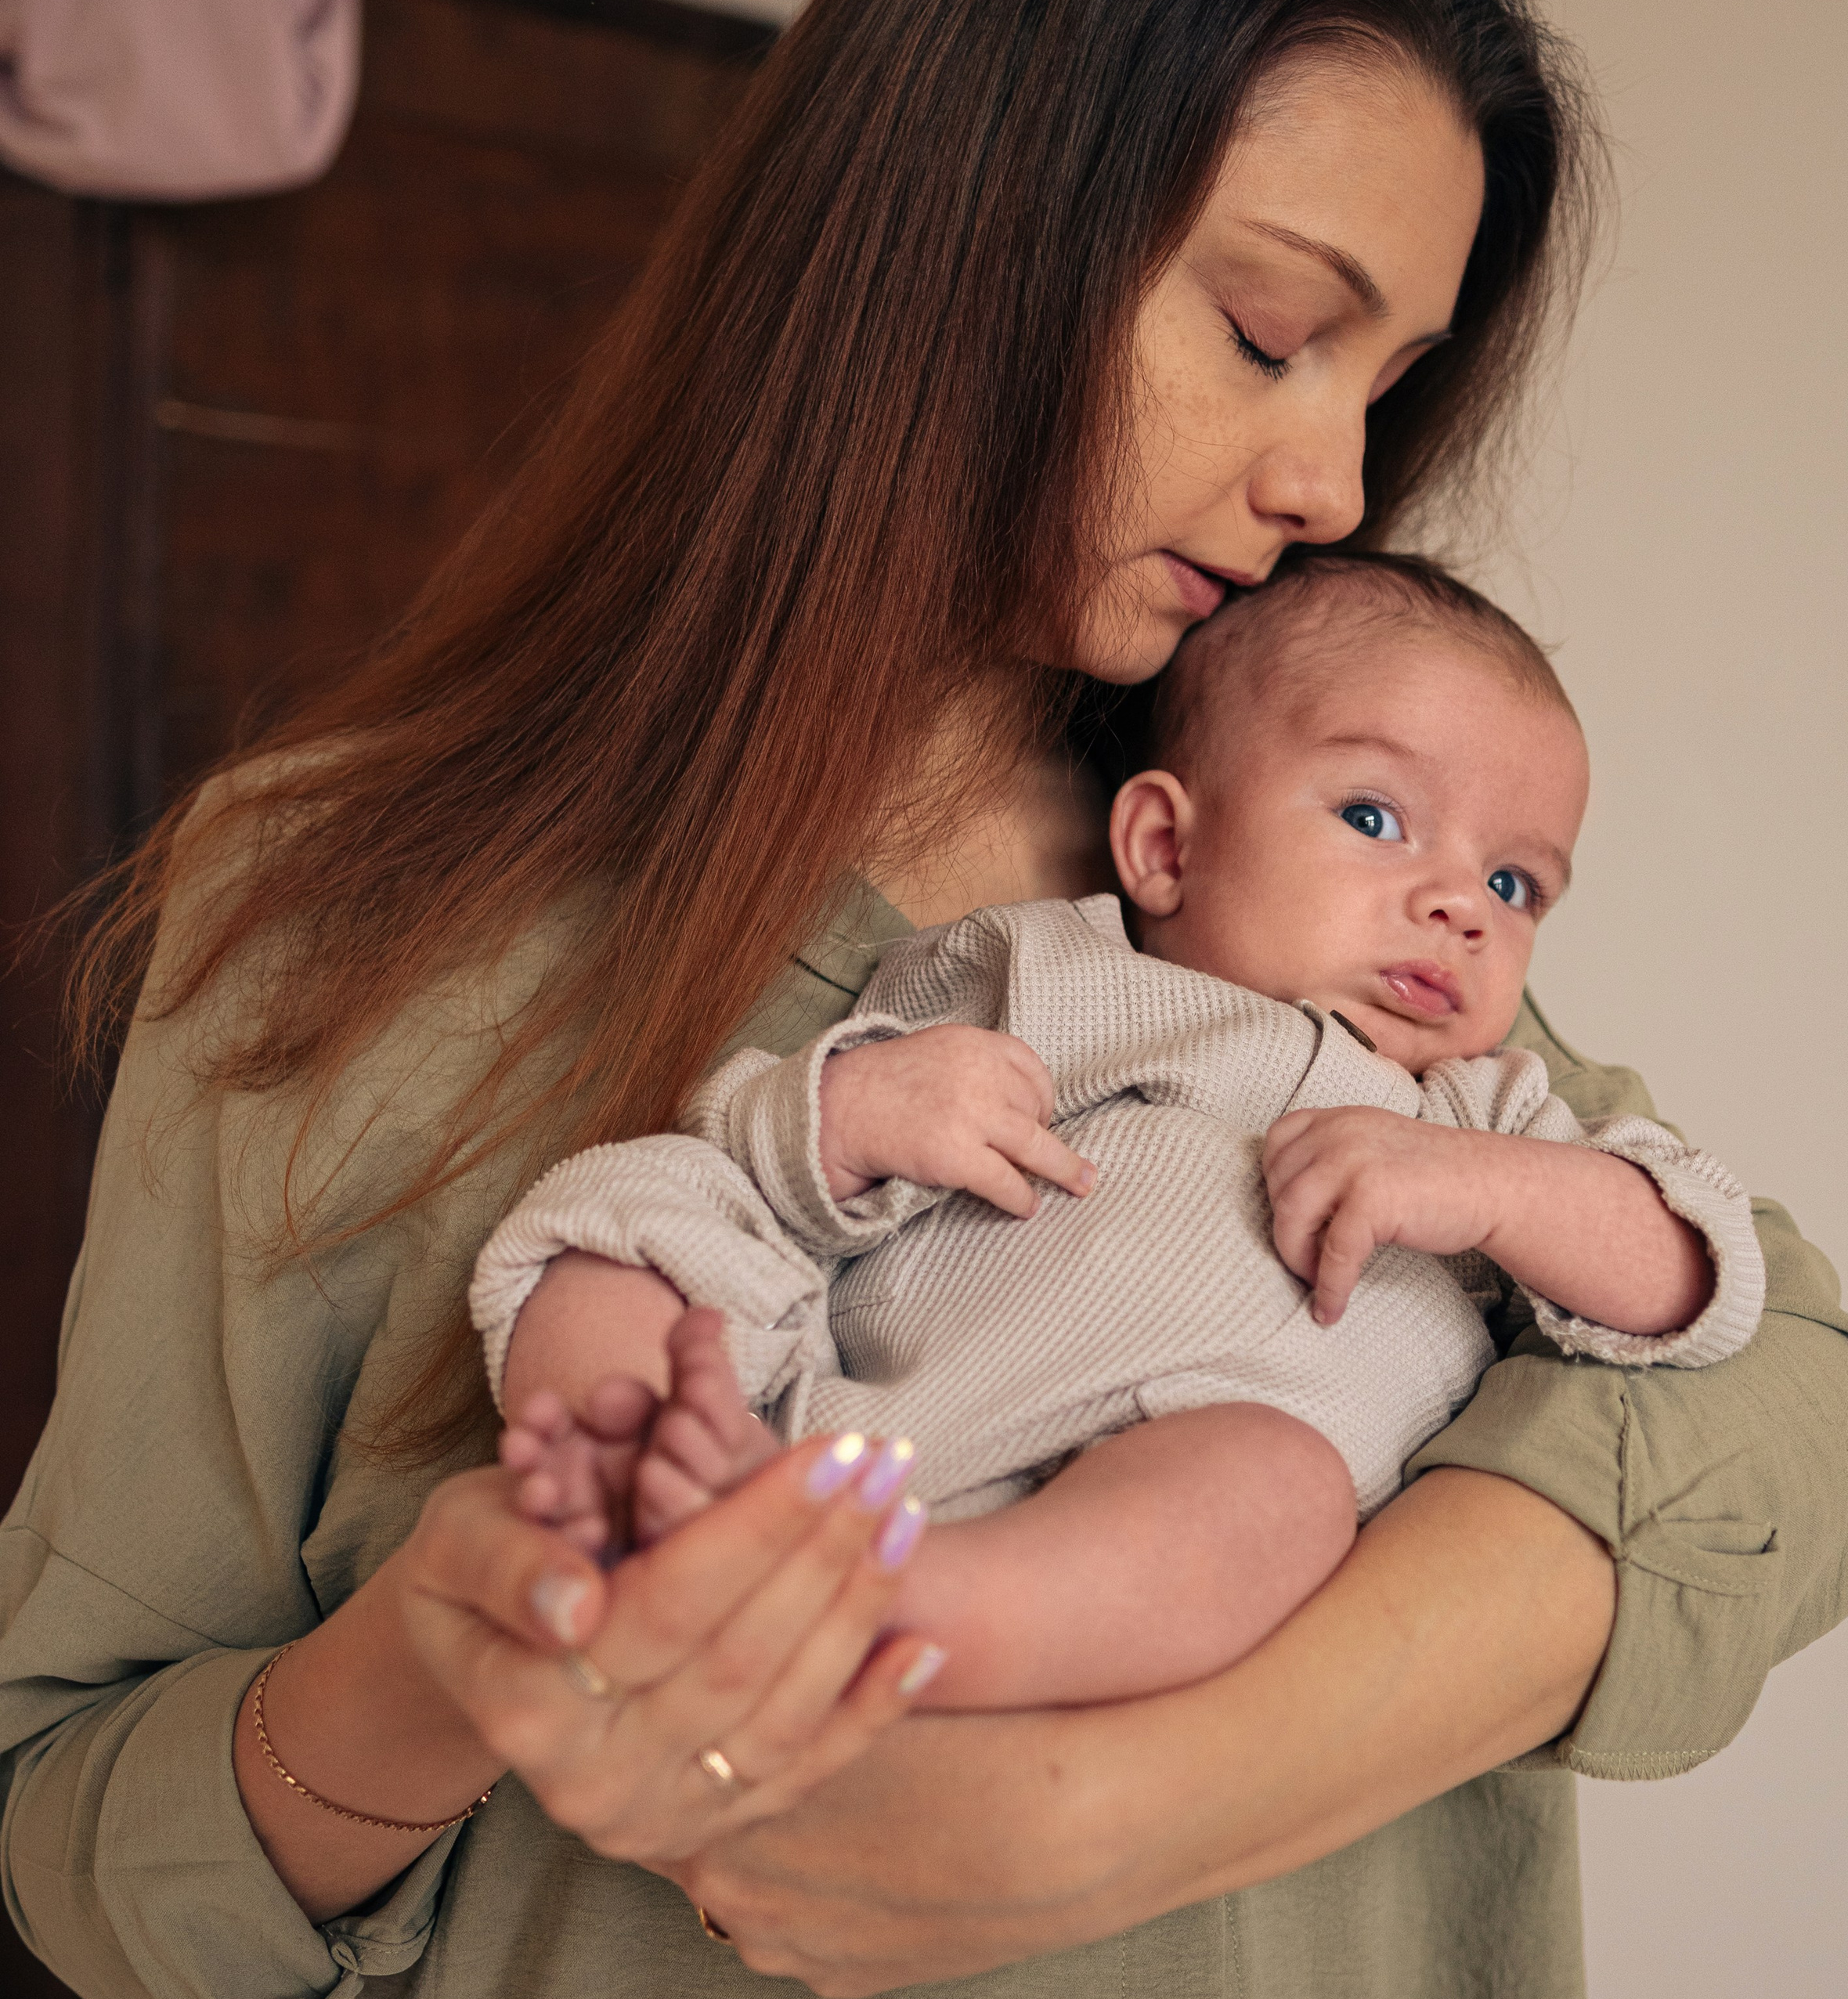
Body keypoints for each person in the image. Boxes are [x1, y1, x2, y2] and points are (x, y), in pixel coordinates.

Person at [0, 0, 1848, 1999]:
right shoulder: (332, 920)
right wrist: (435, 1671)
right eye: (1267, 325)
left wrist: (1136, 1794)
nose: (1331, 477)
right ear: (956, 222)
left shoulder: (1286, 921)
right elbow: (77, 1835)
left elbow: (1811, 1407)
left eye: (1390, 378)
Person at [474, 555, 1767, 1712]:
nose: (1460, 909)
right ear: (1163, 846)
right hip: (850, 1418)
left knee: (1284, 1491)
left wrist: (1489, 1189)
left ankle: (913, 1611)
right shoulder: (1061, 975)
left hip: (1135, 1528)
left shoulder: (1481, 1111)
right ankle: (639, 1485)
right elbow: (771, 1158)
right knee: (632, 1210)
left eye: (1515, 883)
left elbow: (1692, 1281)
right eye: (1376, 819)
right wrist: (867, 1106)